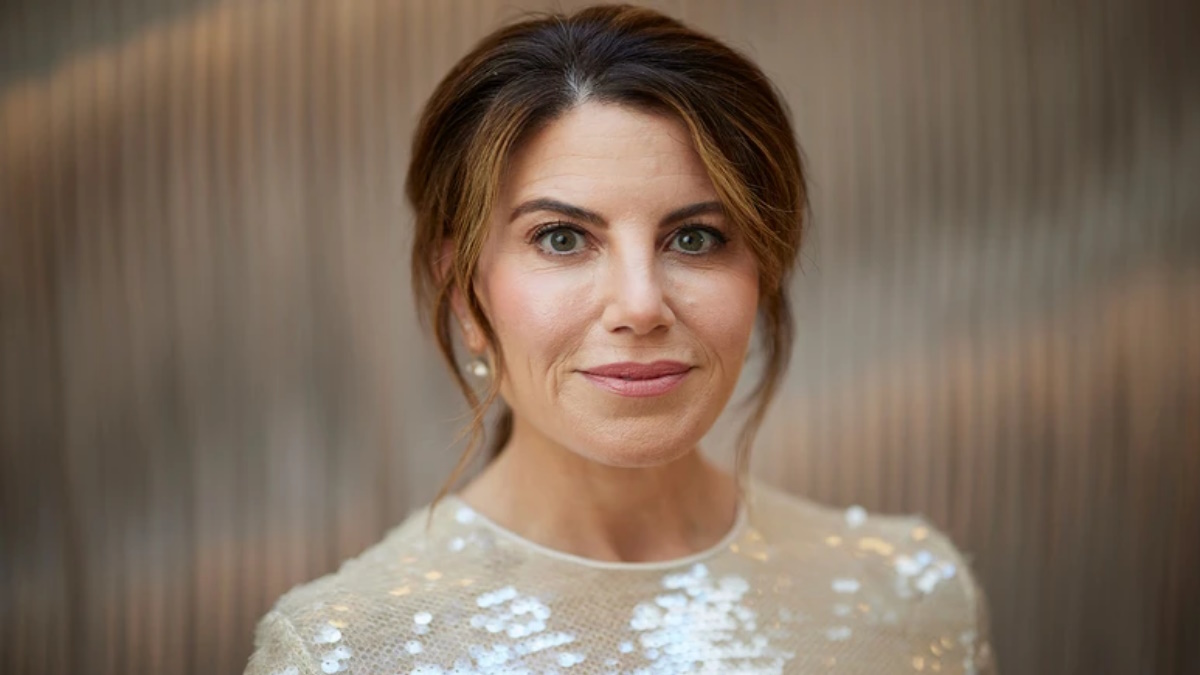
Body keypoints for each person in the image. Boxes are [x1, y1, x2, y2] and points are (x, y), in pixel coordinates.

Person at [245, 5, 995, 674]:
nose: (640, 306)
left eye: (695, 237)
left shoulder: (911, 597)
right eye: (562, 237)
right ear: (466, 291)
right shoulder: (343, 651)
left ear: (763, 271)